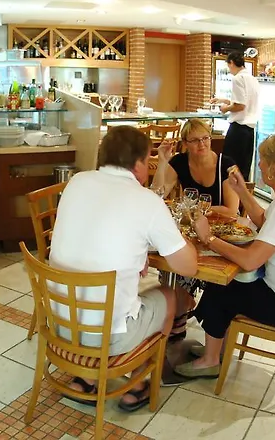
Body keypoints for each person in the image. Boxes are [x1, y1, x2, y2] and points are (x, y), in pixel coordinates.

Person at [49, 125, 198, 411]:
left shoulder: (77, 182)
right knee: (170, 295)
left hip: (60, 325)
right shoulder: (146, 201)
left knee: (117, 294)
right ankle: (137, 385)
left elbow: (95, 234)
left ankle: (85, 378)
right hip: (109, 337)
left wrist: (137, 253)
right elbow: (188, 267)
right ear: (139, 163)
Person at [175, 134, 275, 378]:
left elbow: (250, 261)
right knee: (229, 284)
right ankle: (216, 350)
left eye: (263, 160)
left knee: (221, 287)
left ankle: (210, 360)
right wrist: (241, 190)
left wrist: (209, 239)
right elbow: (264, 221)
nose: (259, 164)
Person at [152, 118, 240, 341]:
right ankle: (179, 312)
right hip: (192, 232)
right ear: (185, 144)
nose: (202, 144)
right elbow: (157, 195)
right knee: (174, 259)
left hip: (220, 235)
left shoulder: (225, 165)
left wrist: (196, 208)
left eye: (205, 138)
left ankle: (183, 311)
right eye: (195, 140)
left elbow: (231, 210)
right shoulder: (180, 162)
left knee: (184, 264)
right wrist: (162, 162)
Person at [210, 51, 260, 180]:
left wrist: (225, 109)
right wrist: (223, 100)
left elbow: (240, 106)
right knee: (244, 168)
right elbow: (245, 102)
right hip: (250, 130)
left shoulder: (238, 78)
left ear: (231, 63)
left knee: (229, 166)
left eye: (228, 65)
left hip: (238, 129)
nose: (229, 69)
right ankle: (243, 192)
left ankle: (228, 192)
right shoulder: (253, 79)